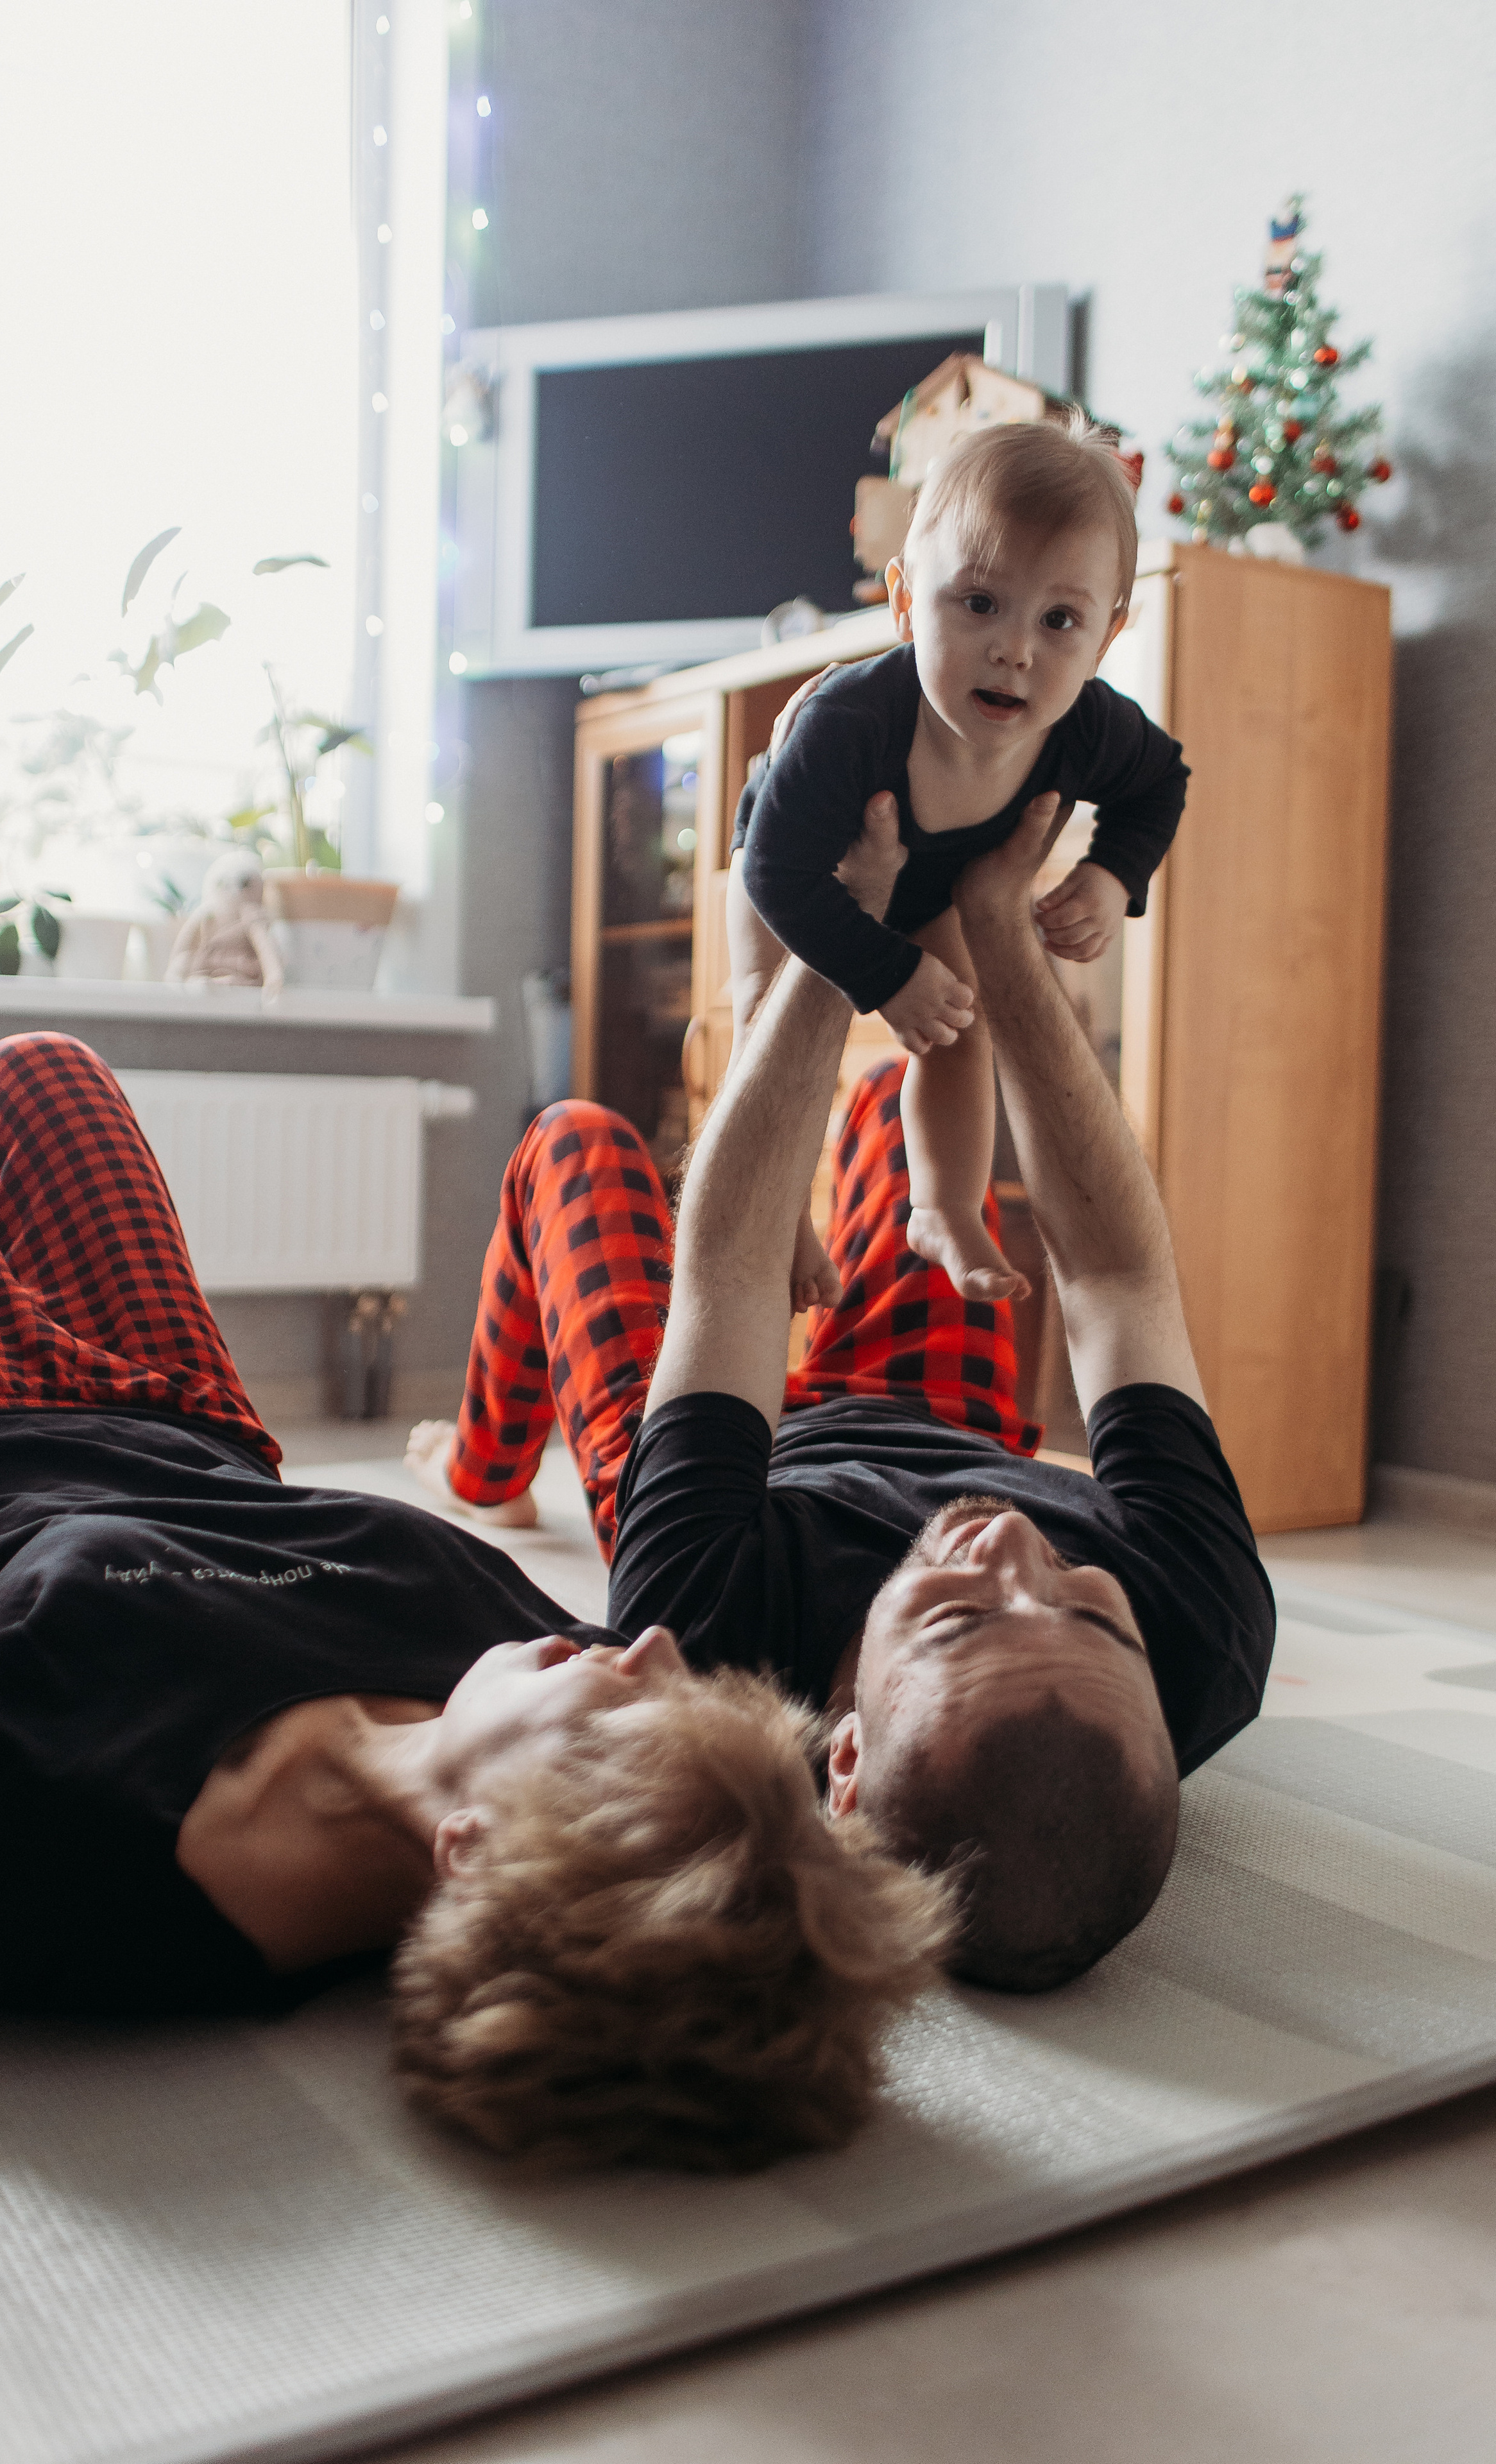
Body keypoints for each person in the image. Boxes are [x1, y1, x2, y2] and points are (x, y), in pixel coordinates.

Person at [0, 1031, 952, 2173]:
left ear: (475, 1853)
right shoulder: (528, 1678)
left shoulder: (41, 1844)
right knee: (39, 1075)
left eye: (638, 1711)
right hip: (185, 1424)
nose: (652, 1644)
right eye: (696, 1686)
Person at [421, 783, 1275, 1991]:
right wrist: (999, 931)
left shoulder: (712, 1625)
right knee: (902, 1100)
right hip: (937, 1416)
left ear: (846, 1757)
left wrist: (842, 928)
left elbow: (723, 1272)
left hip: (756, 1465)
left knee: (578, 1143)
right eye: (1091, 1611)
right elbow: (1121, 1279)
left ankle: (477, 1462)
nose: (1017, 1547)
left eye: (955, 1615)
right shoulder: (1208, 1620)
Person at [727, 415, 1187, 1312]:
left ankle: (940, 1205)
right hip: (799, 871)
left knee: (959, 1022)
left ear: (1107, 636)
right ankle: (777, 1214)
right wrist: (886, 970)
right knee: (768, 1019)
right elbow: (776, 875)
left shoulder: (1093, 725)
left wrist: (1109, 875)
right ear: (905, 600)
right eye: (978, 603)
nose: (1015, 648)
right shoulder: (849, 725)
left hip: (937, 879)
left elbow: (1160, 784)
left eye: (1060, 620)